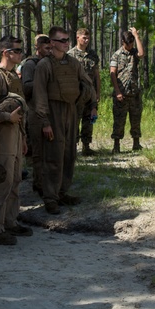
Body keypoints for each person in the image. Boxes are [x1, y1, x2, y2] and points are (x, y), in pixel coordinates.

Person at [32, 26, 94, 214]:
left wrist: (80, 99)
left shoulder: (74, 63)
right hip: (53, 112)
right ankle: (50, 198)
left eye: (67, 40)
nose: (66, 43)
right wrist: (45, 122)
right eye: (62, 40)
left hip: (71, 110)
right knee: (53, 155)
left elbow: (87, 84)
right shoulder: (44, 65)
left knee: (68, 153)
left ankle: (62, 192)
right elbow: (39, 94)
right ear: (52, 43)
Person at [0, 35, 31, 244]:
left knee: (14, 181)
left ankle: (10, 221)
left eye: (21, 50)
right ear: (5, 53)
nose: (20, 54)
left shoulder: (12, 75)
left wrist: (23, 137)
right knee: (0, 183)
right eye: (17, 50)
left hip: (15, 136)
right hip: (0, 137)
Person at [21, 34, 52, 197]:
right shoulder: (30, 65)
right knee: (38, 151)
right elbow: (26, 88)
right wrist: (43, 82)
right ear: (37, 48)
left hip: (49, 112)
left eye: (51, 47)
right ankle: (38, 184)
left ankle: (47, 182)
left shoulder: (52, 63)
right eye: (46, 47)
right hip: (34, 112)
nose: (49, 50)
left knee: (50, 151)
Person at [109, 27, 145, 154]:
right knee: (119, 120)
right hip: (121, 94)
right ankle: (116, 145)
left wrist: (136, 36)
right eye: (127, 44)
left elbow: (141, 54)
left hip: (134, 93)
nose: (129, 46)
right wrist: (117, 91)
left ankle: (136, 143)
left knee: (136, 120)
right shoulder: (117, 55)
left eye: (131, 43)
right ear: (122, 42)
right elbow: (113, 74)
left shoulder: (135, 53)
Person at [67, 28, 100, 156]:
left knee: (89, 119)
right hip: (76, 94)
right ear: (77, 38)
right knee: (74, 120)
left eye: (88, 38)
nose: (86, 41)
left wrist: (97, 93)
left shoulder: (92, 55)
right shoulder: (70, 55)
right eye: (84, 38)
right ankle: (73, 147)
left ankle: (86, 146)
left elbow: (97, 75)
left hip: (90, 93)